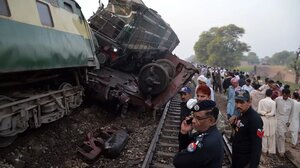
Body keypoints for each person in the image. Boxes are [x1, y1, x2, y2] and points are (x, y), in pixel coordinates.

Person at [173, 100, 224, 168]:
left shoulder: (205, 142)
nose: (193, 121)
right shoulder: (209, 132)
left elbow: (178, 161)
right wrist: (184, 132)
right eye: (193, 116)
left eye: (198, 118)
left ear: (211, 121)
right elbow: (186, 145)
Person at [231, 89, 263, 168]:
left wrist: (253, 165)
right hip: (236, 156)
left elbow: (257, 146)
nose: (238, 105)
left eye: (242, 102)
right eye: (237, 102)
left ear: (249, 102)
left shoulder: (255, 119)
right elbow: (241, 131)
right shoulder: (241, 114)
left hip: (245, 160)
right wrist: (233, 125)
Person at [275, 88, 294, 157]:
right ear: (282, 94)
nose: (285, 96)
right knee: (281, 135)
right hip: (278, 119)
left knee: (282, 135)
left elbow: (292, 113)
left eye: (286, 95)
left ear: (289, 95)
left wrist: (289, 121)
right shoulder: (277, 99)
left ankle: (278, 148)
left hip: (286, 121)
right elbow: (274, 109)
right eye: (284, 94)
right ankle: (281, 151)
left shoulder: (292, 102)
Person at [257, 89, 277, 155]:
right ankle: (270, 151)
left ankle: (264, 150)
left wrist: (264, 113)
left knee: (263, 135)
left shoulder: (261, 101)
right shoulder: (273, 102)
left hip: (263, 119)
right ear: (271, 94)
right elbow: (273, 113)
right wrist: (268, 114)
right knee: (271, 135)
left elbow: (259, 111)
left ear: (265, 94)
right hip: (271, 119)